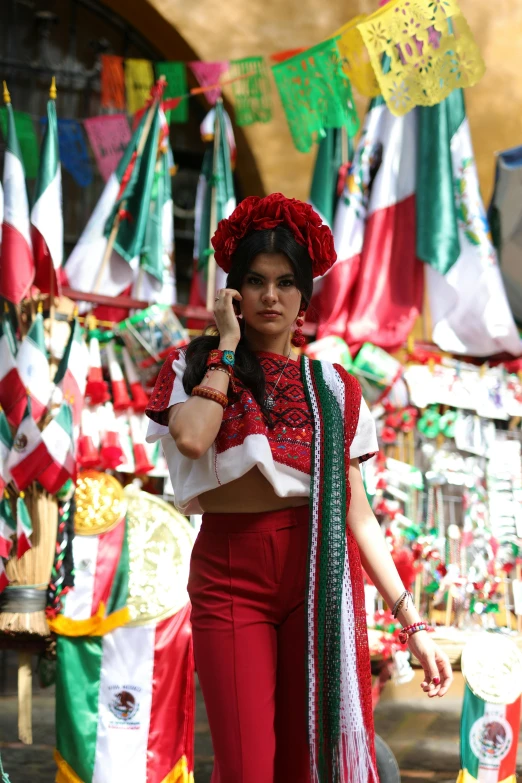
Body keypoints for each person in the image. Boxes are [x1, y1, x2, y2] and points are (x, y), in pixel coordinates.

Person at [146, 193, 453, 783]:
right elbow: (190, 439)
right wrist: (227, 345)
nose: (270, 296)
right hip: (231, 572)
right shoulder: (194, 365)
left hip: (317, 576)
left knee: (302, 765)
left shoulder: (335, 388)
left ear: (303, 298)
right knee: (245, 766)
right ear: (233, 292)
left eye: (286, 283)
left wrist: (411, 624)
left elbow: (359, 518)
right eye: (256, 282)